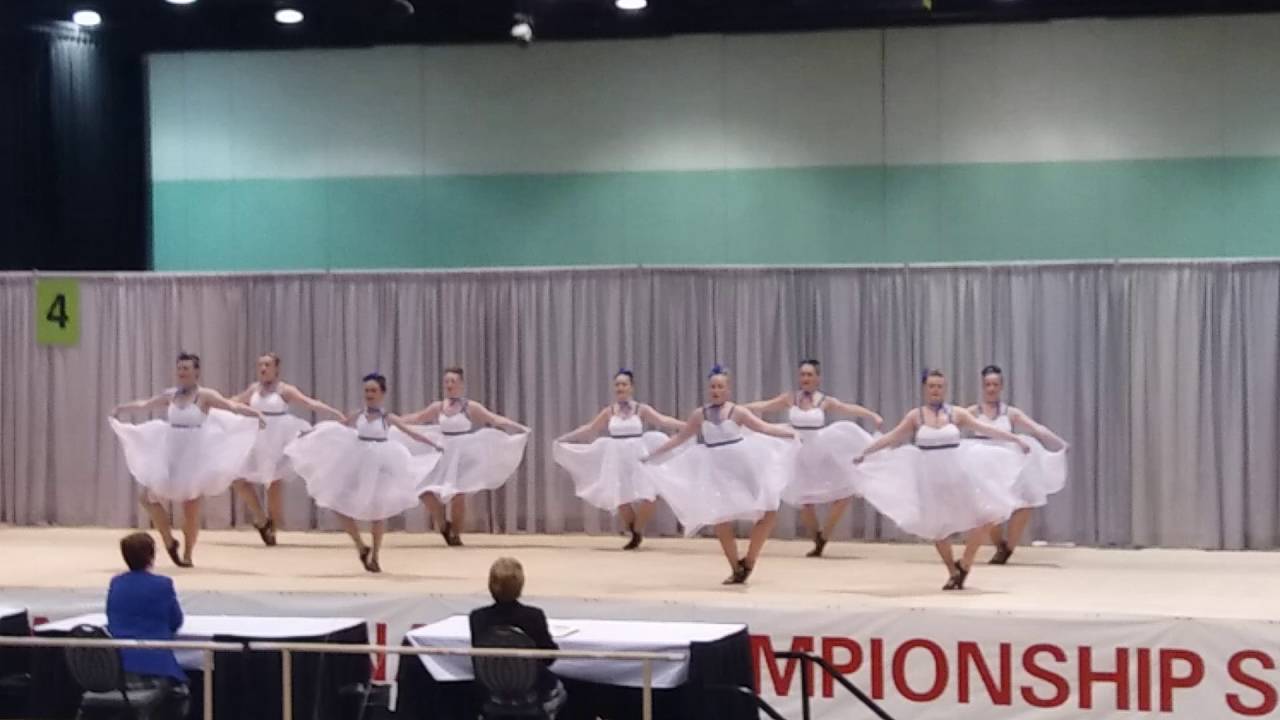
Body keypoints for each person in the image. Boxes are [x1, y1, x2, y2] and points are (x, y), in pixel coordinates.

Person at [852, 369, 1030, 590]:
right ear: (924, 389)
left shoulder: (957, 414)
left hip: (958, 476)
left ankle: (965, 563)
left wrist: (1016, 440)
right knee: (937, 528)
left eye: (939, 386)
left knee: (984, 517)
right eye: (931, 386)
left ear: (945, 389)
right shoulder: (915, 416)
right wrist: (865, 452)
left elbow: (987, 429)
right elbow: (892, 436)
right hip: (930, 480)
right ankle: (953, 571)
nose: (935, 390)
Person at [640, 365, 798, 585]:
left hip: (742, 465)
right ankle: (736, 568)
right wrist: (652, 455)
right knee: (720, 518)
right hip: (715, 470)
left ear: (728, 390)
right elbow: (680, 438)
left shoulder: (738, 412)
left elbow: (763, 428)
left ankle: (750, 560)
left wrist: (790, 434)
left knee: (768, 511)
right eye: (712, 387)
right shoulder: (700, 414)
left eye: (720, 387)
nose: (715, 391)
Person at [110, 352, 265, 567]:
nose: (182, 372)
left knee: (190, 509)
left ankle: (188, 554)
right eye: (180, 368)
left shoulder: (205, 396)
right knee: (147, 498)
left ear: (196, 372)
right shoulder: (171, 395)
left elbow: (232, 406)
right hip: (171, 453)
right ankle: (168, 539)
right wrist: (122, 409)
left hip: (194, 457)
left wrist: (256, 414)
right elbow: (146, 404)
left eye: (186, 369)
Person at [284, 373, 440, 572]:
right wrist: (310, 433)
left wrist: (433, 444)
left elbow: (411, 433)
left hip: (381, 464)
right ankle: (360, 545)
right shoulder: (358, 414)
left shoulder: (387, 417)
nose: (369, 394)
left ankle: (375, 555)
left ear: (382, 393)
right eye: (367, 390)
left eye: (373, 390)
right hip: (358, 461)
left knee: (378, 511)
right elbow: (334, 428)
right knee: (336, 501)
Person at [743, 359, 883, 557]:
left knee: (845, 490)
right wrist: (739, 408)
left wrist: (872, 415)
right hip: (797, 451)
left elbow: (848, 408)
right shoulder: (790, 398)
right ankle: (817, 540)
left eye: (809, 375)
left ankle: (824, 536)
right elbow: (765, 405)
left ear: (817, 378)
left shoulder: (824, 400)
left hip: (821, 449)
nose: (805, 378)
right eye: (802, 375)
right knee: (804, 501)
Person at [553, 369, 685, 550]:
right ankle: (635, 534)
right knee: (622, 498)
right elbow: (590, 428)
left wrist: (687, 426)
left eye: (624, 384)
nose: (620, 387)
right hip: (617, 457)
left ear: (631, 387)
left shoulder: (641, 409)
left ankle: (637, 530)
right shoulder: (609, 411)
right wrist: (566, 438)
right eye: (617, 385)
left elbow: (663, 420)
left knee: (649, 496)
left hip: (639, 456)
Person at [402, 367, 530, 547]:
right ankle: (442, 521)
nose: (449, 385)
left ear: (461, 384)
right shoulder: (438, 406)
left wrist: (518, 427)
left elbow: (493, 419)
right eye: (447, 381)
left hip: (463, 453)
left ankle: (455, 534)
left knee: (458, 495)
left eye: (453, 381)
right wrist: (395, 421)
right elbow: (418, 418)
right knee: (422, 486)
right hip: (441, 451)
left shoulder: (469, 406)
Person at [230, 352, 344, 546]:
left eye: (267, 365)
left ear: (276, 368)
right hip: (257, 435)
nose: (263, 369)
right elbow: (235, 401)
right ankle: (261, 518)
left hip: (279, 438)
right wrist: (212, 405)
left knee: (273, 485)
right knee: (237, 478)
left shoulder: (284, 390)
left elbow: (308, 402)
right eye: (260, 365)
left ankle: (272, 530)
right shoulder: (254, 389)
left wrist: (334, 413)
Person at [967, 365, 1069, 565]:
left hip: (1008, 463)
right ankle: (1000, 545)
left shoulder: (1010, 412)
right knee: (987, 509)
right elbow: (950, 424)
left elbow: (1036, 428)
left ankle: (1008, 548)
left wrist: (1059, 442)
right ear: (982, 386)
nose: (991, 388)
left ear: (1001, 386)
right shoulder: (972, 412)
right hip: (982, 465)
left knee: (1025, 502)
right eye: (988, 384)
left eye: (995, 384)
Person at [106, 532, 190, 719]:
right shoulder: (163, 584)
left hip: (117, 669)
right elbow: (176, 620)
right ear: (151, 555)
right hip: (154, 666)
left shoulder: (116, 583)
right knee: (181, 694)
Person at [469, 557, 566, 717]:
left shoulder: (477, 617)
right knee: (567, 689)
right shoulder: (533, 616)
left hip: (492, 692)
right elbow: (549, 658)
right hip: (533, 692)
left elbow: (477, 661)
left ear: (490, 585)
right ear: (520, 585)